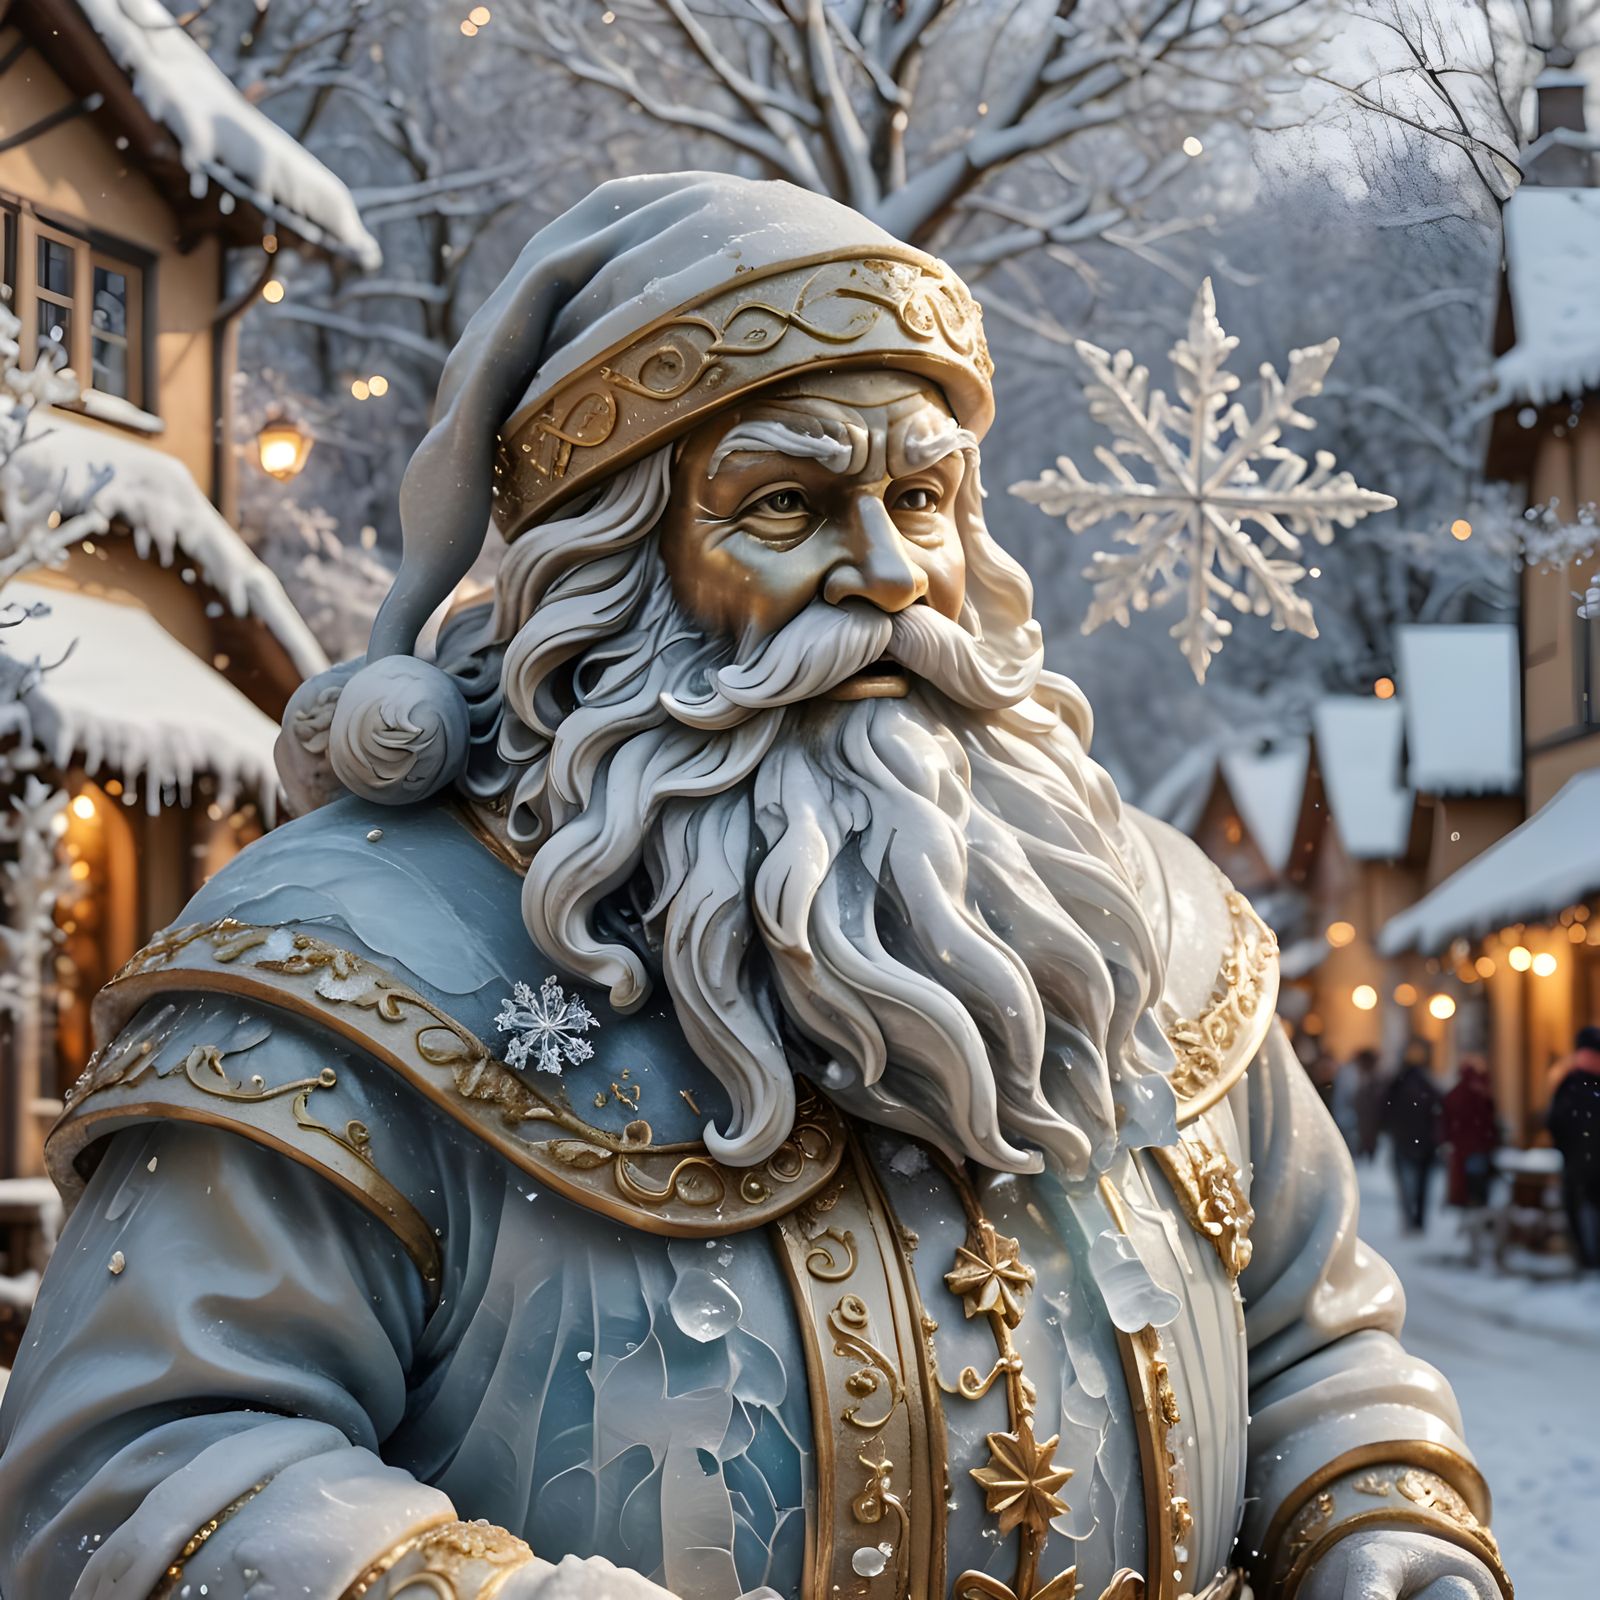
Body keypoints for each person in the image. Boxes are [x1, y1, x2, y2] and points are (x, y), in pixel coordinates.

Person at [0, 176, 1510, 1600]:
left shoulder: (1143, 931)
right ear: (611, 566)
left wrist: (1384, 1533)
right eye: (786, 509)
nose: (887, 572)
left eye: (921, 500)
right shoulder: (346, 962)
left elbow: (1320, 1346)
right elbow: (136, 1474)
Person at [1548, 1025, 1600, 1270]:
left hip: (1579, 1163)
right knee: (1584, 1212)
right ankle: (1588, 1260)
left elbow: (1555, 1122)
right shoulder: (1571, 1084)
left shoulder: (1570, 1083)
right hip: (1581, 1163)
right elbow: (1556, 1123)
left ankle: (1587, 1259)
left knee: (1581, 1212)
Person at [1383, 1041, 1444, 1233]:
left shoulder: (1397, 1084)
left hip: (1405, 1140)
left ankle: (1410, 1218)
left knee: (1406, 1184)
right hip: (1423, 1142)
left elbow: (1385, 1110)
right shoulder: (1428, 1085)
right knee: (1421, 1185)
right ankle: (1417, 1220)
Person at [1443, 1057, 1499, 1210]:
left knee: (1469, 1182)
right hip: (1478, 1145)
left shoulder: (1457, 1094)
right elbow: (1487, 1119)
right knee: (1476, 1182)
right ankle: (1476, 1205)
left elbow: (1447, 1120)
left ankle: (1472, 1205)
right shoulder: (1479, 1093)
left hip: (1465, 1146)